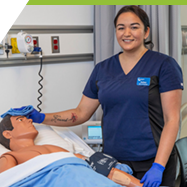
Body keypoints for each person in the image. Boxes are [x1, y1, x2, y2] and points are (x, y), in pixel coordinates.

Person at [9, 5, 183, 187]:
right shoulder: (103, 69)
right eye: (121, 28)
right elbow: (81, 113)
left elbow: (172, 119)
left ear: (146, 32)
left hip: (153, 160)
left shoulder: (164, 65)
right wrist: (41, 117)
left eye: (134, 27)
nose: (127, 33)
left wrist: (159, 166)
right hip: (114, 163)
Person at [0, 115, 143, 187]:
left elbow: (101, 168)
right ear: (7, 134)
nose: (30, 121)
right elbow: (11, 182)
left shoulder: (60, 150)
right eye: (20, 120)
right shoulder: (9, 157)